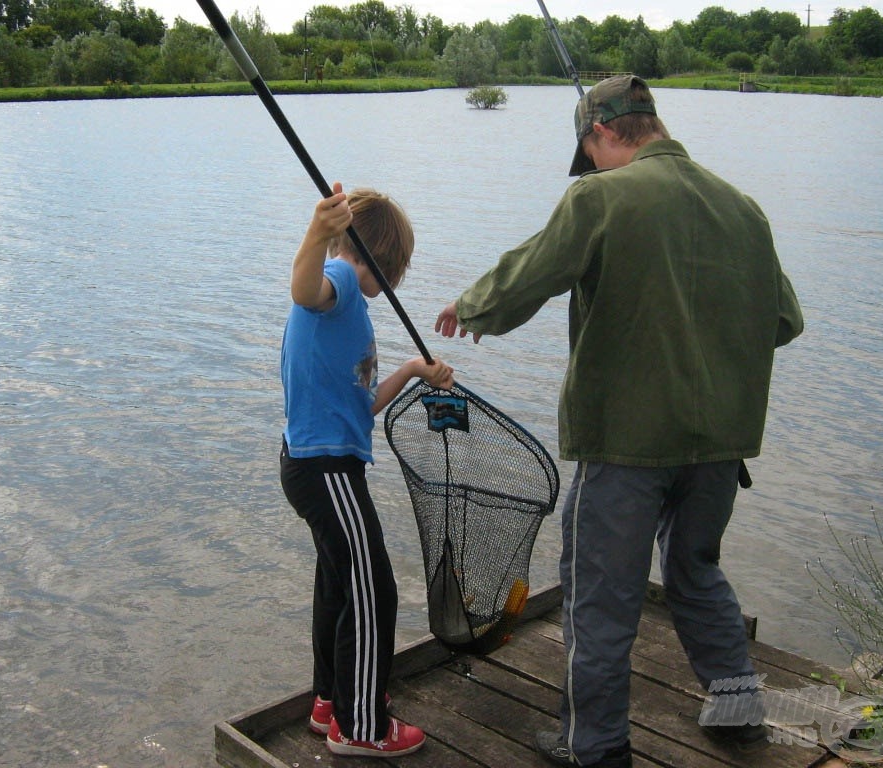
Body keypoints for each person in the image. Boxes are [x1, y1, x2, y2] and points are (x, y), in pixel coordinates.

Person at [435, 75, 803, 768]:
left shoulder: (599, 196)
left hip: (628, 444)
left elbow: (532, 274)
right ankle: (736, 706)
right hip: (719, 445)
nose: (591, 168)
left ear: (602, 134)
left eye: (590, 153)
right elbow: (784, 320)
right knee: (695, 568)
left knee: (599, 596)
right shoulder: (745, 209)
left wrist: (474, 306)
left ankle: (595, 745)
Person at [280, 182, 453, 759]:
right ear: (377, 257)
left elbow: (360, 403)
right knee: (374, 587)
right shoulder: (345, 281)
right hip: (328, 470)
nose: (392, 287)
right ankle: (361, 728)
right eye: (394, 271)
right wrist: (317, 232)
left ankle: (329, 700)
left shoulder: (347, 301)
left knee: (340, 579)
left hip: (314, 465)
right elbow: (306, 288)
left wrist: (409, 370)